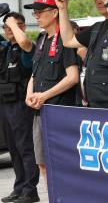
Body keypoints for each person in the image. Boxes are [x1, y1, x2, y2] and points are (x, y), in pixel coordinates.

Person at [24, 0, 79, 193]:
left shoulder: (65, 39)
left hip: (59, 112)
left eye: (40, 11)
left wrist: (45, 96)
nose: (36, 15)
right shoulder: (40, 38)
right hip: (40, 112)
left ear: (55, 12)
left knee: (62, 166)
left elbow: (72, 77)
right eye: (34, 12)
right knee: (43, 165)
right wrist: (30, 94)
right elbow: (34, 73)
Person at [0, 13, 39, 203]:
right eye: (5, 27)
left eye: (14, 26)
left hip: (21, 105)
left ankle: (30, 190)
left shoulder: (28, 47)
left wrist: (13, 24)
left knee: (25, 148)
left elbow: (24, 44)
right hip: (5, 105)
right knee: (13, 149)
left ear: (22, 27)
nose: (9, 30)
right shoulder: (5, 48)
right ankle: (19, 187)